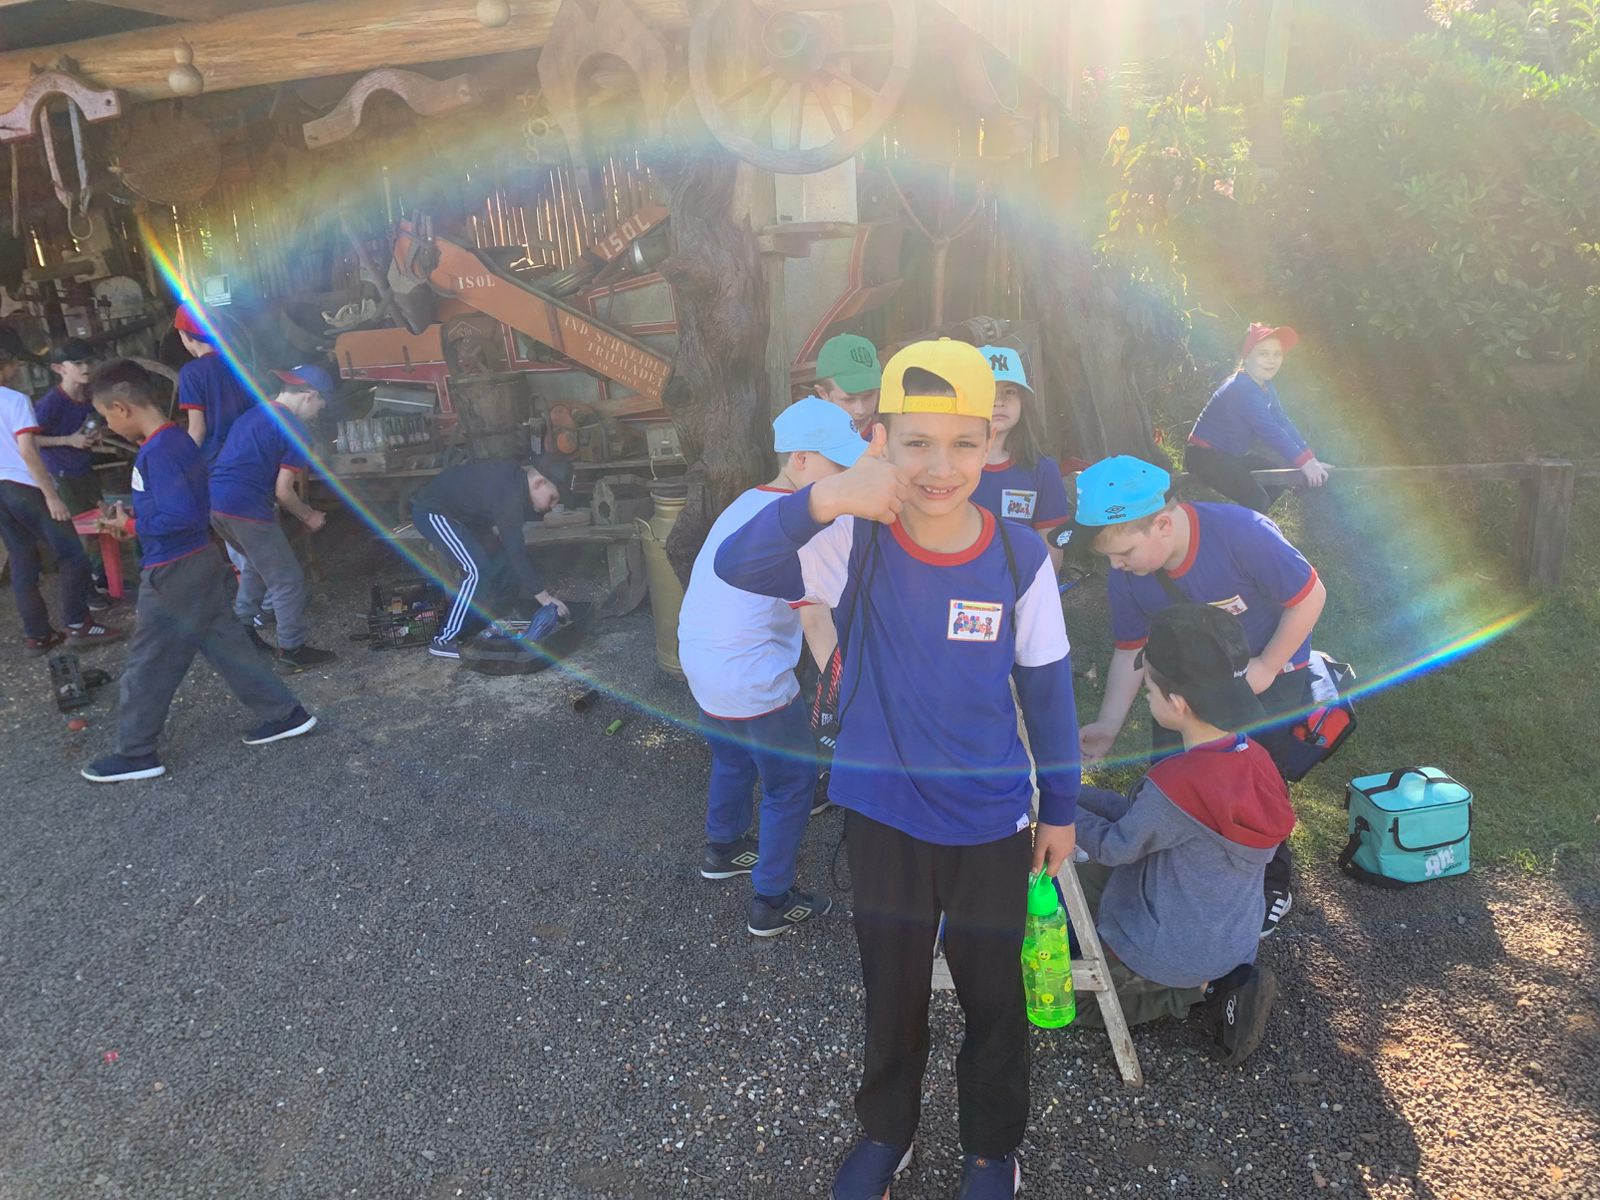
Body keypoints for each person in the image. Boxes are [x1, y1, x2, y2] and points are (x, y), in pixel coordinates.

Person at [716, 338, 1079, 1200]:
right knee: (893, 991)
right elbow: (736, 563)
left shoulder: (1019, 557)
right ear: (880, 439)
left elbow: (1050, 689)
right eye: (917, 443)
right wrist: (827, 496)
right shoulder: (853, 541)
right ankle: (887, 1132)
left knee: (994, 998)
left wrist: (1060, 807)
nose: (940, 467)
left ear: (990, 445)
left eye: (962, 444)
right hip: (882, 815)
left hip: (990, 821)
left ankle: (992, 1148)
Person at [1074, 455, 1324, 938]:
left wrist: (1265, 668)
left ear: (1163, 525)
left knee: (1253, 784)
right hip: (1181, 689)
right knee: (1172, 776)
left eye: (1123, 553)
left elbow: (1309, 596)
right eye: (1109, 557)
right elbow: (1130, 649)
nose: (1116, 566)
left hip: (1266, 679)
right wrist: (1108, 725)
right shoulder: (1127, 573)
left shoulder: (1243, 533)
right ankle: (1169, 869)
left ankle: (1271, 884)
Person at [1072, 603, 1294, 1065]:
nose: (1147, 699)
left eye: (1149, 690)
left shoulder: (1176, 785)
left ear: (1176, 703)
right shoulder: (1254, 760)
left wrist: (1057, 811)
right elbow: (1142, 819)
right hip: (1232, 935)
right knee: (1083, 885)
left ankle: (1200, 991)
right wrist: (1068, 793)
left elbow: (1115, 845)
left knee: (1058, 997)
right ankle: (1215, 976)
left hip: (1172, 951)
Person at [679, 396, 865, 935]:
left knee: (733, 756)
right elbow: (817, 622)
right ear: (800, 459)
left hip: (701, 661)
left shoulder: (748, 501)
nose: (846, 476)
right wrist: (845, 699)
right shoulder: (806, 524)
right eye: (837, 463)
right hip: (751, 672)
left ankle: (722, 847)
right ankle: (772, 899)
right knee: (791, 782)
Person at [80, 359, 315, 784]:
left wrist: (129, 526)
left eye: (105, 416)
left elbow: (181, 515)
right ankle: (286, 715)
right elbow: (178, 507)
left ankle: (136, 752)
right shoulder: (176, 441)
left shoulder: (159, 451)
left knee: (149, 661)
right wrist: (135, 519)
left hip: (173, 570)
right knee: (228, 646)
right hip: (199, 561)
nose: (108, 425)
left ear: (121, 408)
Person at [0, 326, 122, 656]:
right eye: (15, 363)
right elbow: (28, 450)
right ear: (7, 365)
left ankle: (38, 636)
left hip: (1, 492)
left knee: (23, 562)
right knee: (72, 554)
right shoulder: (15, 400)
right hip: (25, 486)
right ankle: (78, 623)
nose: (19, 368)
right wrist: (51, 495)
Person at [209, 364, 338, 673]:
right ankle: (291, 651)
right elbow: (283, 491)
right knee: (288, 581)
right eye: (321, 404)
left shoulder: (253, 414)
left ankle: (242, 633)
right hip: (246, 509)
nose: (319, 411)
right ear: (309, 396)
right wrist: (308, 515)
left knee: (256, 564)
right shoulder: (296, 429)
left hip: (216, 504)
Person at [409, 459, 566, 659]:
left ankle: (489, 620)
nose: (552, 507)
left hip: (463, 520)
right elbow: (516, 549)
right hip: (434, 513)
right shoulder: (510, 491)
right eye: (552, 498)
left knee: (502, 561)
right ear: (539, 483)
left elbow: (510, 547)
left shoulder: (514, 485)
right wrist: (544, 598)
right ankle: (443, 640)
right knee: (476, 570)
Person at [1186, 323, 1332, 514]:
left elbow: (1282, 422)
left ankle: (1246, 523)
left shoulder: (1265, 386)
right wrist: (1304, 463)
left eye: (1277, 354)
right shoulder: (1241, 388)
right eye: (1263, 354)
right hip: (1204, 457)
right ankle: (1231, 526)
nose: (1271, 360)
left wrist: (1311, 459)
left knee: (1276, 481)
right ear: (1246, 357)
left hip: (1229, 456)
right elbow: (1271, 430)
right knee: (1257, 499)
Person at [969, 344, 1072, 572]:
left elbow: (1051, 544)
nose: (999, 401)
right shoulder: (952, 467)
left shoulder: (1043, 469)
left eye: (1010, 391)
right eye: (988, 390)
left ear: (1023, 401)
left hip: (1021, 584)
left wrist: (1042, 589)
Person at [34, 336, 111, 595]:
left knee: (101, 524)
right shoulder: (51, 402)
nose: (86, 367)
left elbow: (93, 424)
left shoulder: (88, 395)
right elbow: (30, 439)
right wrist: (68, 440)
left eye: (88, 361)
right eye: (77, 363)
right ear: (59, 369)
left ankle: (101, 578)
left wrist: (97, 434)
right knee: (80, 532)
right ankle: (86, 590)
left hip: (83, 468)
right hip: (61, 473)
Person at [174, 303, 258, 467]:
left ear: (187, 337)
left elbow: (198, 430)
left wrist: (181, 463)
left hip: (216, 463)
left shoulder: (191, 373)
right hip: (248, 457)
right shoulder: (241, 366)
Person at [813, 332, 882, 437]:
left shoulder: (890, 434)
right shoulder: (813, 440)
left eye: (868, 396)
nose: (860, 410)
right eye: (849, 400)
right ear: (823, 393)